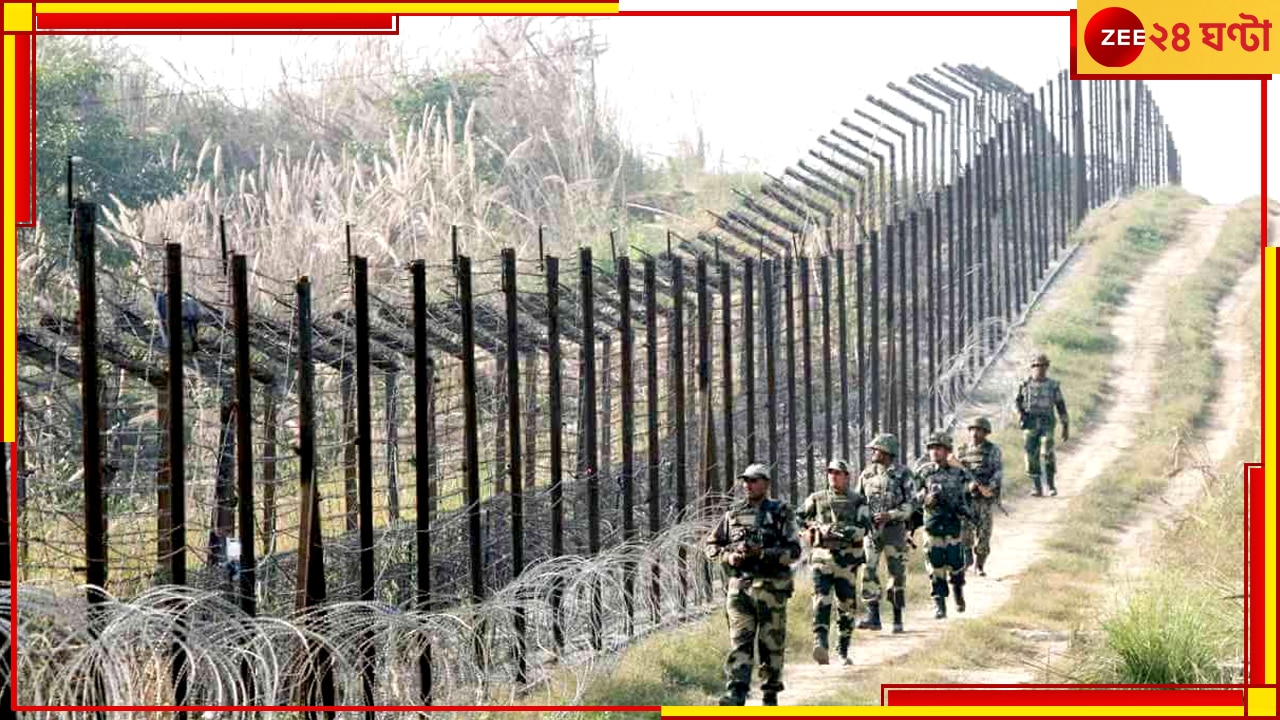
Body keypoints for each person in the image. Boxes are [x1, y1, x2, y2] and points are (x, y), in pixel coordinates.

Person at [703, 463, 802, 706]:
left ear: (766, 484)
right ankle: (737, 692)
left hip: (771, 589)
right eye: (745, 481)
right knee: (740, 641)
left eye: (754, 480)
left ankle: (770, 693)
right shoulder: (733, 514)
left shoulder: (781, 512)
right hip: (740, 589)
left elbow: (794, 551)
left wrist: (763, 553)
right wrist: (729, 557)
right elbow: (711, 546)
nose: (748, 485)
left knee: (771, 644)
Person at [798, 458, 874, 666]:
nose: (833, 475)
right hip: (822, 560)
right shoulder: (816, 498)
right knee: (821, 601)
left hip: (847, 563)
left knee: (846, 606)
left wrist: (841, 531)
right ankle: (820, 642)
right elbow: (799, 519)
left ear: (846, 476)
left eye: (838, 472)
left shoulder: (858, 500)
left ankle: (842, 649)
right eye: (830, 472)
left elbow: (865, 527)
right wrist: (814, 528)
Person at [855, 434, 916, 634]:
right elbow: (858, 501)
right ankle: (873, 617)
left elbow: (911, 504)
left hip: (894, 531)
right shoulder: (867, 474)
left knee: (896, 574)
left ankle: (897, 618)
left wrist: (890, 515)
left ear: (887, 452)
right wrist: (863, 519)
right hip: (872, 533)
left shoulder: (903, 474)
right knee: (868, 571)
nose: (873, 453)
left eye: (877, 450)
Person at [914, 432, 976, 619]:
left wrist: (967, 509)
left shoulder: (958, 472)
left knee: (956, 564)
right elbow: (912, 497)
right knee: (935, 566)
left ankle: (958, 592)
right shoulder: (924, 472)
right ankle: (940, 604)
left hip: (953, 525)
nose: (935, 452)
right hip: (932, 525)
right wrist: (926, 499)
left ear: (947, 451)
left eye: (939, 448)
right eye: (932, 448)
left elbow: (972, 488)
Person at [1015, 353, 1069, 496]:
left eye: (1043, 365)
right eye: (1036, 365)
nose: (1039, 368)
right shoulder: (1024, 385)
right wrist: (1020, 414)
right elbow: (1017, 402)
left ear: (1047, 367)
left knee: (1047, 452)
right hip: (1030, 424)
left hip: (1046, 424)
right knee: (1031, 455)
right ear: (1032, 367)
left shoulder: (1052, 386)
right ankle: (1037, 487)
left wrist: (1065, 426)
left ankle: (1051, 486)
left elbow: (1060, 405)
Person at [955, 417, 1003, 576]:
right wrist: (967, 486)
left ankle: (980, 565)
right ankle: (967, 560)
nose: (975, 433)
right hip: (967, 500)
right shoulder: (961, 451)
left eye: (979, 430)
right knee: (965, 533)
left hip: (984, 500)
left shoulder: (992, 450)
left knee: (984, 533)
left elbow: (998, 471)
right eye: (973, 429)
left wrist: (989, 487)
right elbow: (955, 474)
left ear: (985, 433)